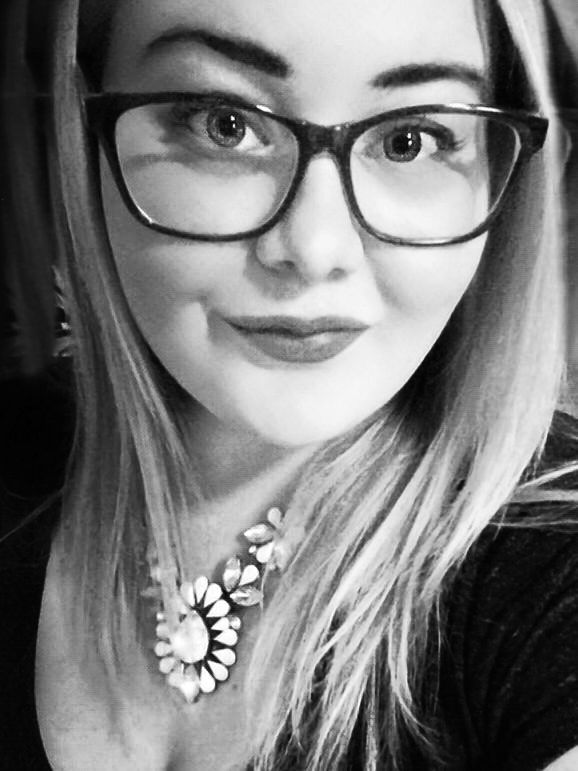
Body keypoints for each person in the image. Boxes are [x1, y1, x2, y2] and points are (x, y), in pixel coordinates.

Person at [1, 0, 578, 769]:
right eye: (223, 123)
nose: (314, 247)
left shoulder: (547, 569)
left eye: (409, 139)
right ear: (84, 132)